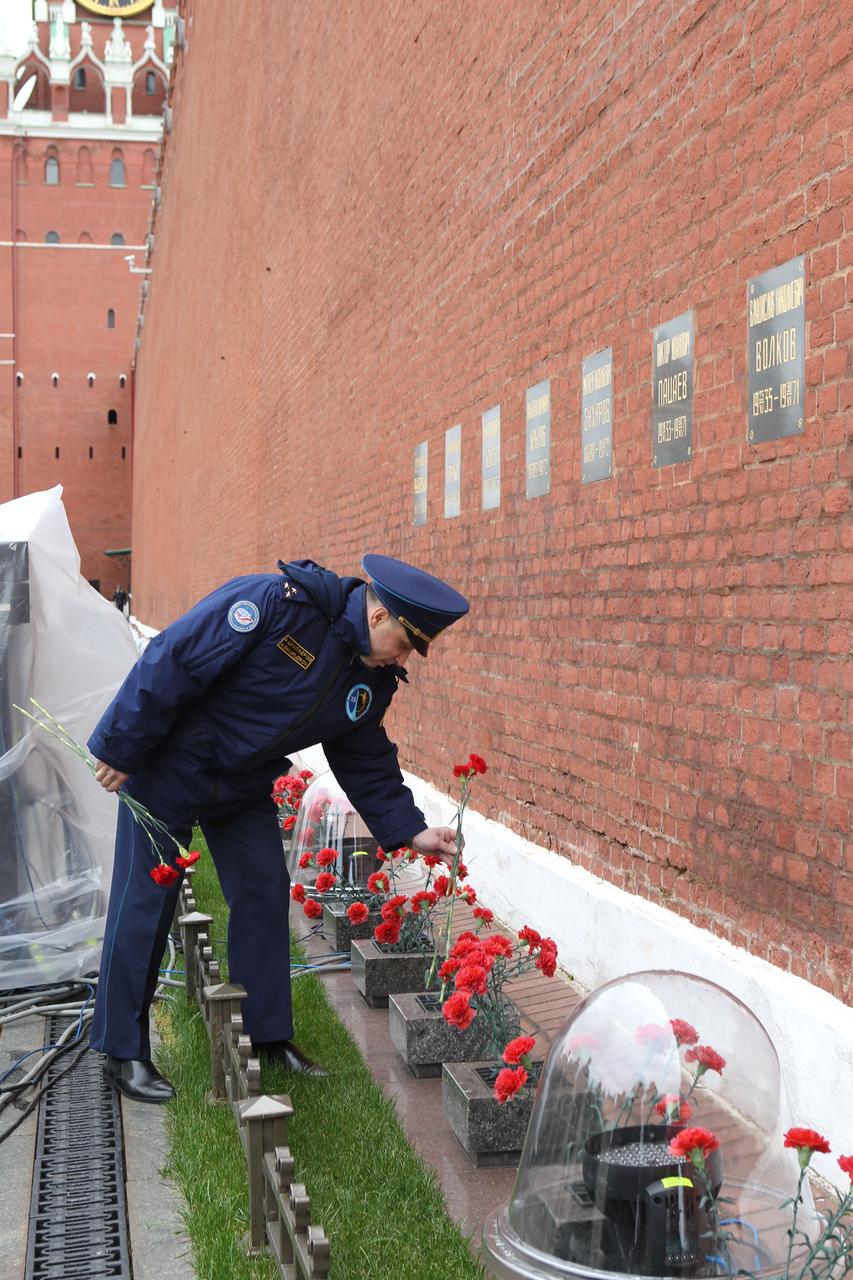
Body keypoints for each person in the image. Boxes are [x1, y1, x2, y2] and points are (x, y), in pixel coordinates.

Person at [88, 554, 469, 1102]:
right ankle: (122, 1050)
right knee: (146, 898)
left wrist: (412, 831)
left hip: (240, 784)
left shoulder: (371, 675)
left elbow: (364, 756)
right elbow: (175, 657)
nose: (405, 657)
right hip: (172, 766)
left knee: (264, 891)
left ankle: (266, 1037)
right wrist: (123, 744)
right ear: (380, 615)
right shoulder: (278, 607)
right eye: (407, 643)